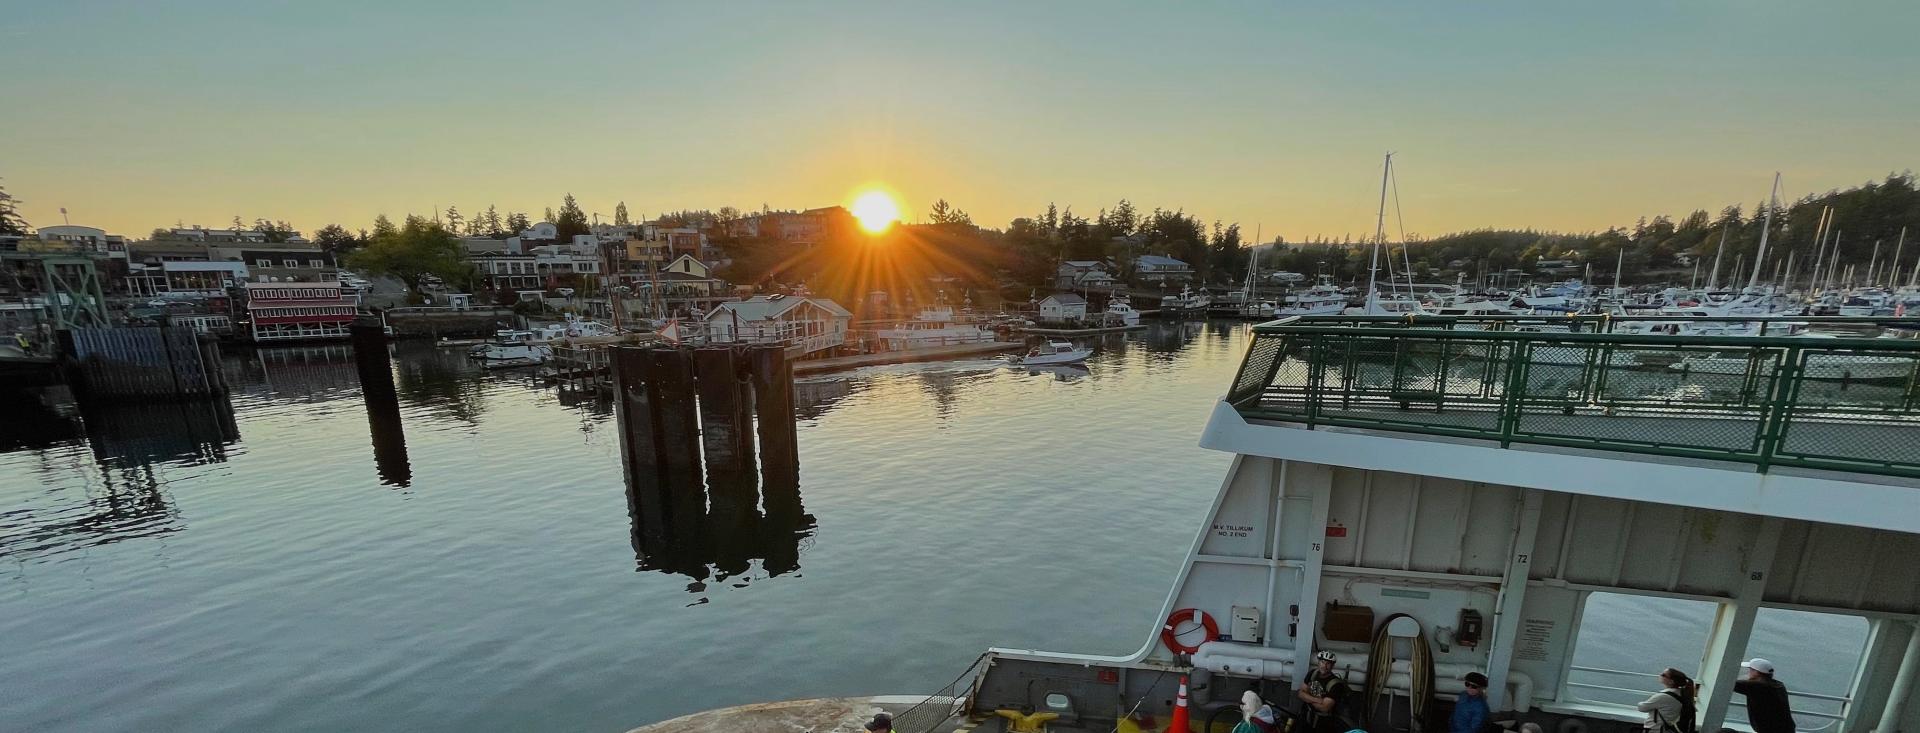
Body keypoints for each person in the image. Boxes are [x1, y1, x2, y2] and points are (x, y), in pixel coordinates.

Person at [1733, 658, 1797, 733]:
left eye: (1750, 670)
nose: (1748, 672)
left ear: (1756, 672)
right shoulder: (1778, 685)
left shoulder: (1757, 687)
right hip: (1786, 728)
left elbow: (1730, 683)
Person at [1297, 650, 1354, 733]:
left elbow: (1325, 708)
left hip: (1324, 723)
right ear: (1318, 662)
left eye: (1328, 663)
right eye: (1322, 662)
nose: (1324, 666)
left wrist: (1307, 698)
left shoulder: (1336, 684)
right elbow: (1300, 693)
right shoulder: (1312, 673)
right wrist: (1318, 700)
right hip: (1306, 716)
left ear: (1332, 666)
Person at [1637, 668, 1697, 733]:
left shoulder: (1663, 696)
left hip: (1655, 730)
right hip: (1667, 729)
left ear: (1671, 681)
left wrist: (1640, 703)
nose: (1660, 675)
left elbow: (1642, 708)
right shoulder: (1682, 693)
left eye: (1663, 674)